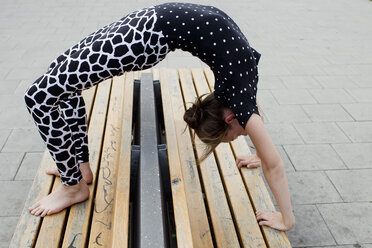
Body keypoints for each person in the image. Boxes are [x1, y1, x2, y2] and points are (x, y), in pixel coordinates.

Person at [25, 2, 295, 231]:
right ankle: (78, 170)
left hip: (151, 27)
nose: (245, 133)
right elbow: (274, 165)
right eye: (237, 136)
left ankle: (73, 186)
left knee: (42, 93)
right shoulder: (239, 99)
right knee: (50, 85)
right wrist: (287, 219)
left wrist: (261, 151)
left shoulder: (238, 93)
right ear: (229, 120)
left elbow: (257, 125)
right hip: (146, 31)